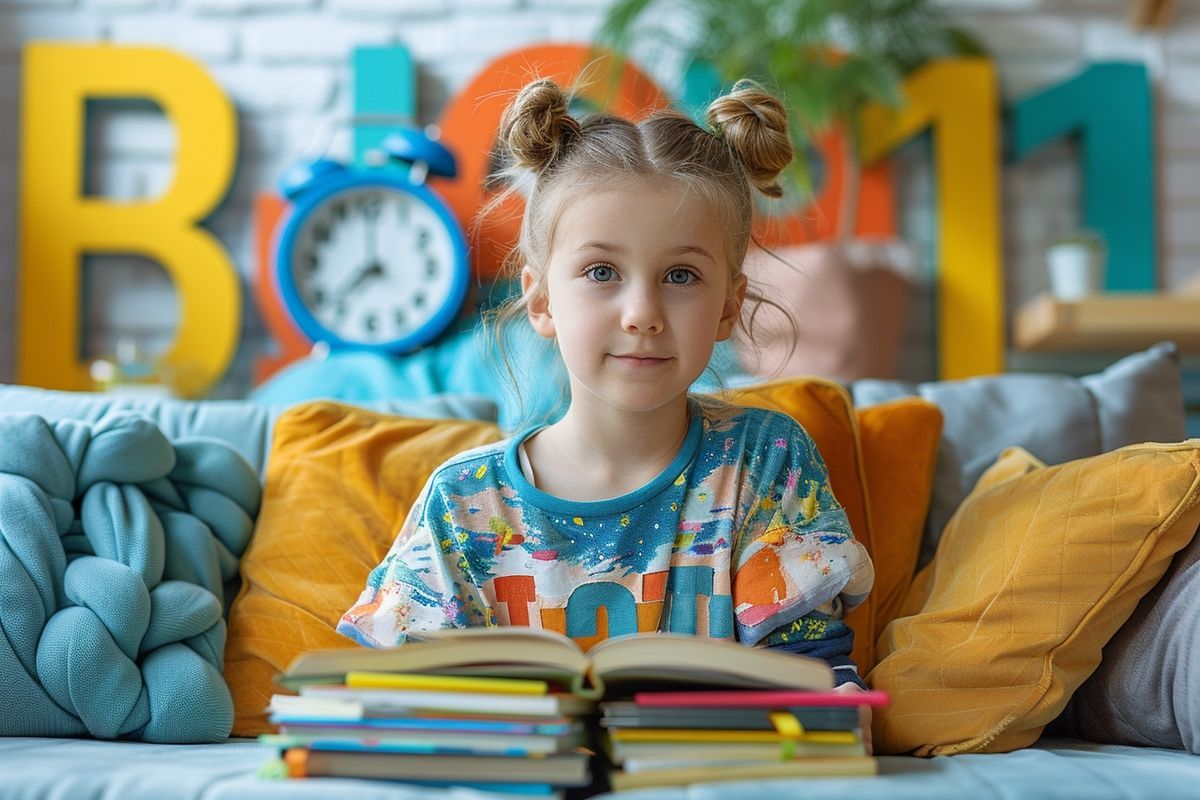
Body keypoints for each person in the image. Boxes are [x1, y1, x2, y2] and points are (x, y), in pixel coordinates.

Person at [338, 76, 876, 746]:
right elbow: (388, 694)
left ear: (729, 307)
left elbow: (811, 665)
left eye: (681, 276)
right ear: (540, 301)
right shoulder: (462, 501)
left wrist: (838, 716)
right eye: (601, 272)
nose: (642, 315)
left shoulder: (765, 460)